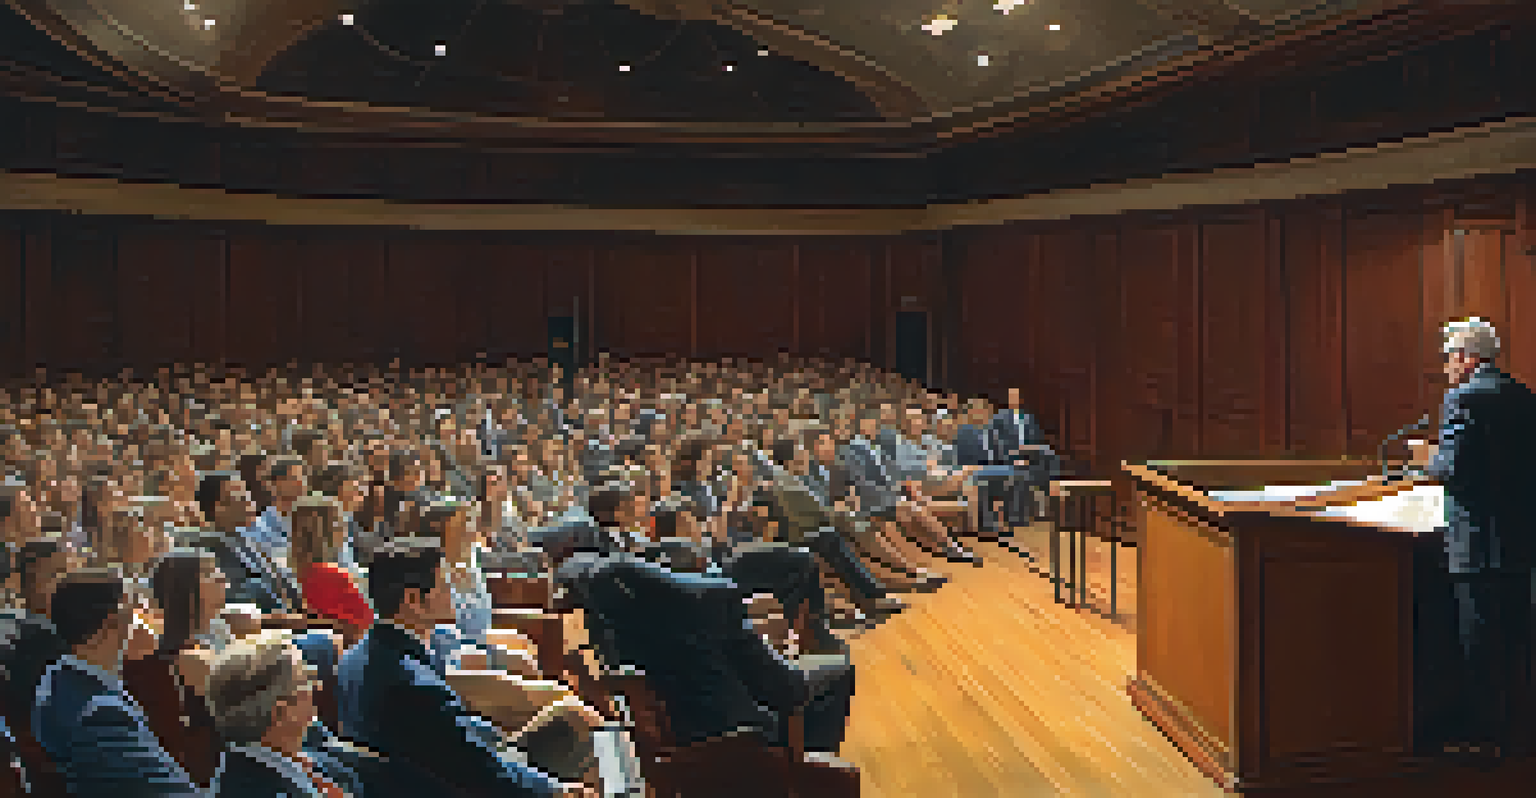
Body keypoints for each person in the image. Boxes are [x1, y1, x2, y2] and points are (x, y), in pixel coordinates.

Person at [336, 539, 592, 798]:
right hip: (449, 785)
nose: (452, 593)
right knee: (582, 732)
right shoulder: (411, 683)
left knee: (570, 719)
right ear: (413, 599)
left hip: (437, 771)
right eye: (444, 586)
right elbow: (481, 773)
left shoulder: (357, 657)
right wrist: (558, 791)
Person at [1416, 318, 1536, 759]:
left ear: (1468, 358)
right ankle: (1521, 731)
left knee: (1479, 643)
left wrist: (1429, 462)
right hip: (1521, 542)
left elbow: (1455, 469)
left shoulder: (1463, 398)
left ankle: (1485, 738)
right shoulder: (1524, 396)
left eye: (1450, 357)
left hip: (1478, 545)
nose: (1447, 367)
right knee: (1516, 640)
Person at [31, 569, 203, 797]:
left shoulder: (58, 676)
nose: (155, 619)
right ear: (113, 624)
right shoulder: (101, 714)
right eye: (139, 611)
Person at [205, 631, 366, 798]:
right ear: (282, 711)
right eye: (306, 679)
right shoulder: (262, 788)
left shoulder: (251, 768)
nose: (317, 686)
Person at [121, 549, 230, 786]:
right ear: (184, 590)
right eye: (208, 573)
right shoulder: (185, 658)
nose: (221, 577)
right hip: (208, 771)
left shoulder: (217, 629)